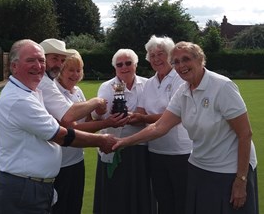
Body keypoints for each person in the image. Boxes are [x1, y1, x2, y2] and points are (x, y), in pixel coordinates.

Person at [113, 41, 259, 214]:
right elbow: (159, 126)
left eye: (186, 59)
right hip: (199, 168)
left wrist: (241, 180)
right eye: (176, 61)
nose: (181, 65)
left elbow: (245, 134)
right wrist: (123, 142)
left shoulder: (222, 86)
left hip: (228, 171)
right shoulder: (183, 91)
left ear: (200, 60)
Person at [0, 39, 116, 214]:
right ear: (14, 67)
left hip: (33, 185)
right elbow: (62, 134)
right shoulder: (20, 99)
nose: (38, 66)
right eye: (31, 60)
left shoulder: (32, 91)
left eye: (41, 60)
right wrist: (102, 139)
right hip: (24, 189)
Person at [52, 51, 128, 214]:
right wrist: (107, 123)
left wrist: (101, 113)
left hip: (77, 160)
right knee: (60, 208)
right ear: (61, 71)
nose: (75, 74)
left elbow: (89, 123)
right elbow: (71, 129)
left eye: (78, 70)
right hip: (59, 163)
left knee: (74, 206)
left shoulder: (78, 91)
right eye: (70, 70)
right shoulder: (55, 92)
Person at [129, 35, 192, 214]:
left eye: (161, 54)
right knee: (163, 200)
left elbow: (173, 116)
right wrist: (127, 117)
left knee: (182, 200)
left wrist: (141, 119)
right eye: (152, 55)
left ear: (170, 55)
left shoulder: (180, 79)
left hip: (180, 150)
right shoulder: (149, 83)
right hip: (155, 150)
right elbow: (141, 111)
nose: (156, 59)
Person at [93, 49, 154, 214]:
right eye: (119, 64)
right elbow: (97, 118)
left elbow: (153, 112)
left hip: (140, 147)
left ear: (135, 65)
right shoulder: (107, 86)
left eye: (128, 63)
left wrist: (138, 117)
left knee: (140, 195)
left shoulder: (148, 84)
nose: (124, 67)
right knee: (114, 196)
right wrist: (101, 110)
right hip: (112, 146)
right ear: (115, 68)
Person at [38, 38, 107, 126]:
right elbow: (69, 116)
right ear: (42, 59)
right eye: (55, 59)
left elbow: (87, 120)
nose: (59, 65)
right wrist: (96, 102)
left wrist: (100, 114)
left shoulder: (76, 90)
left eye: (62, 61)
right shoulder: (44, 82)